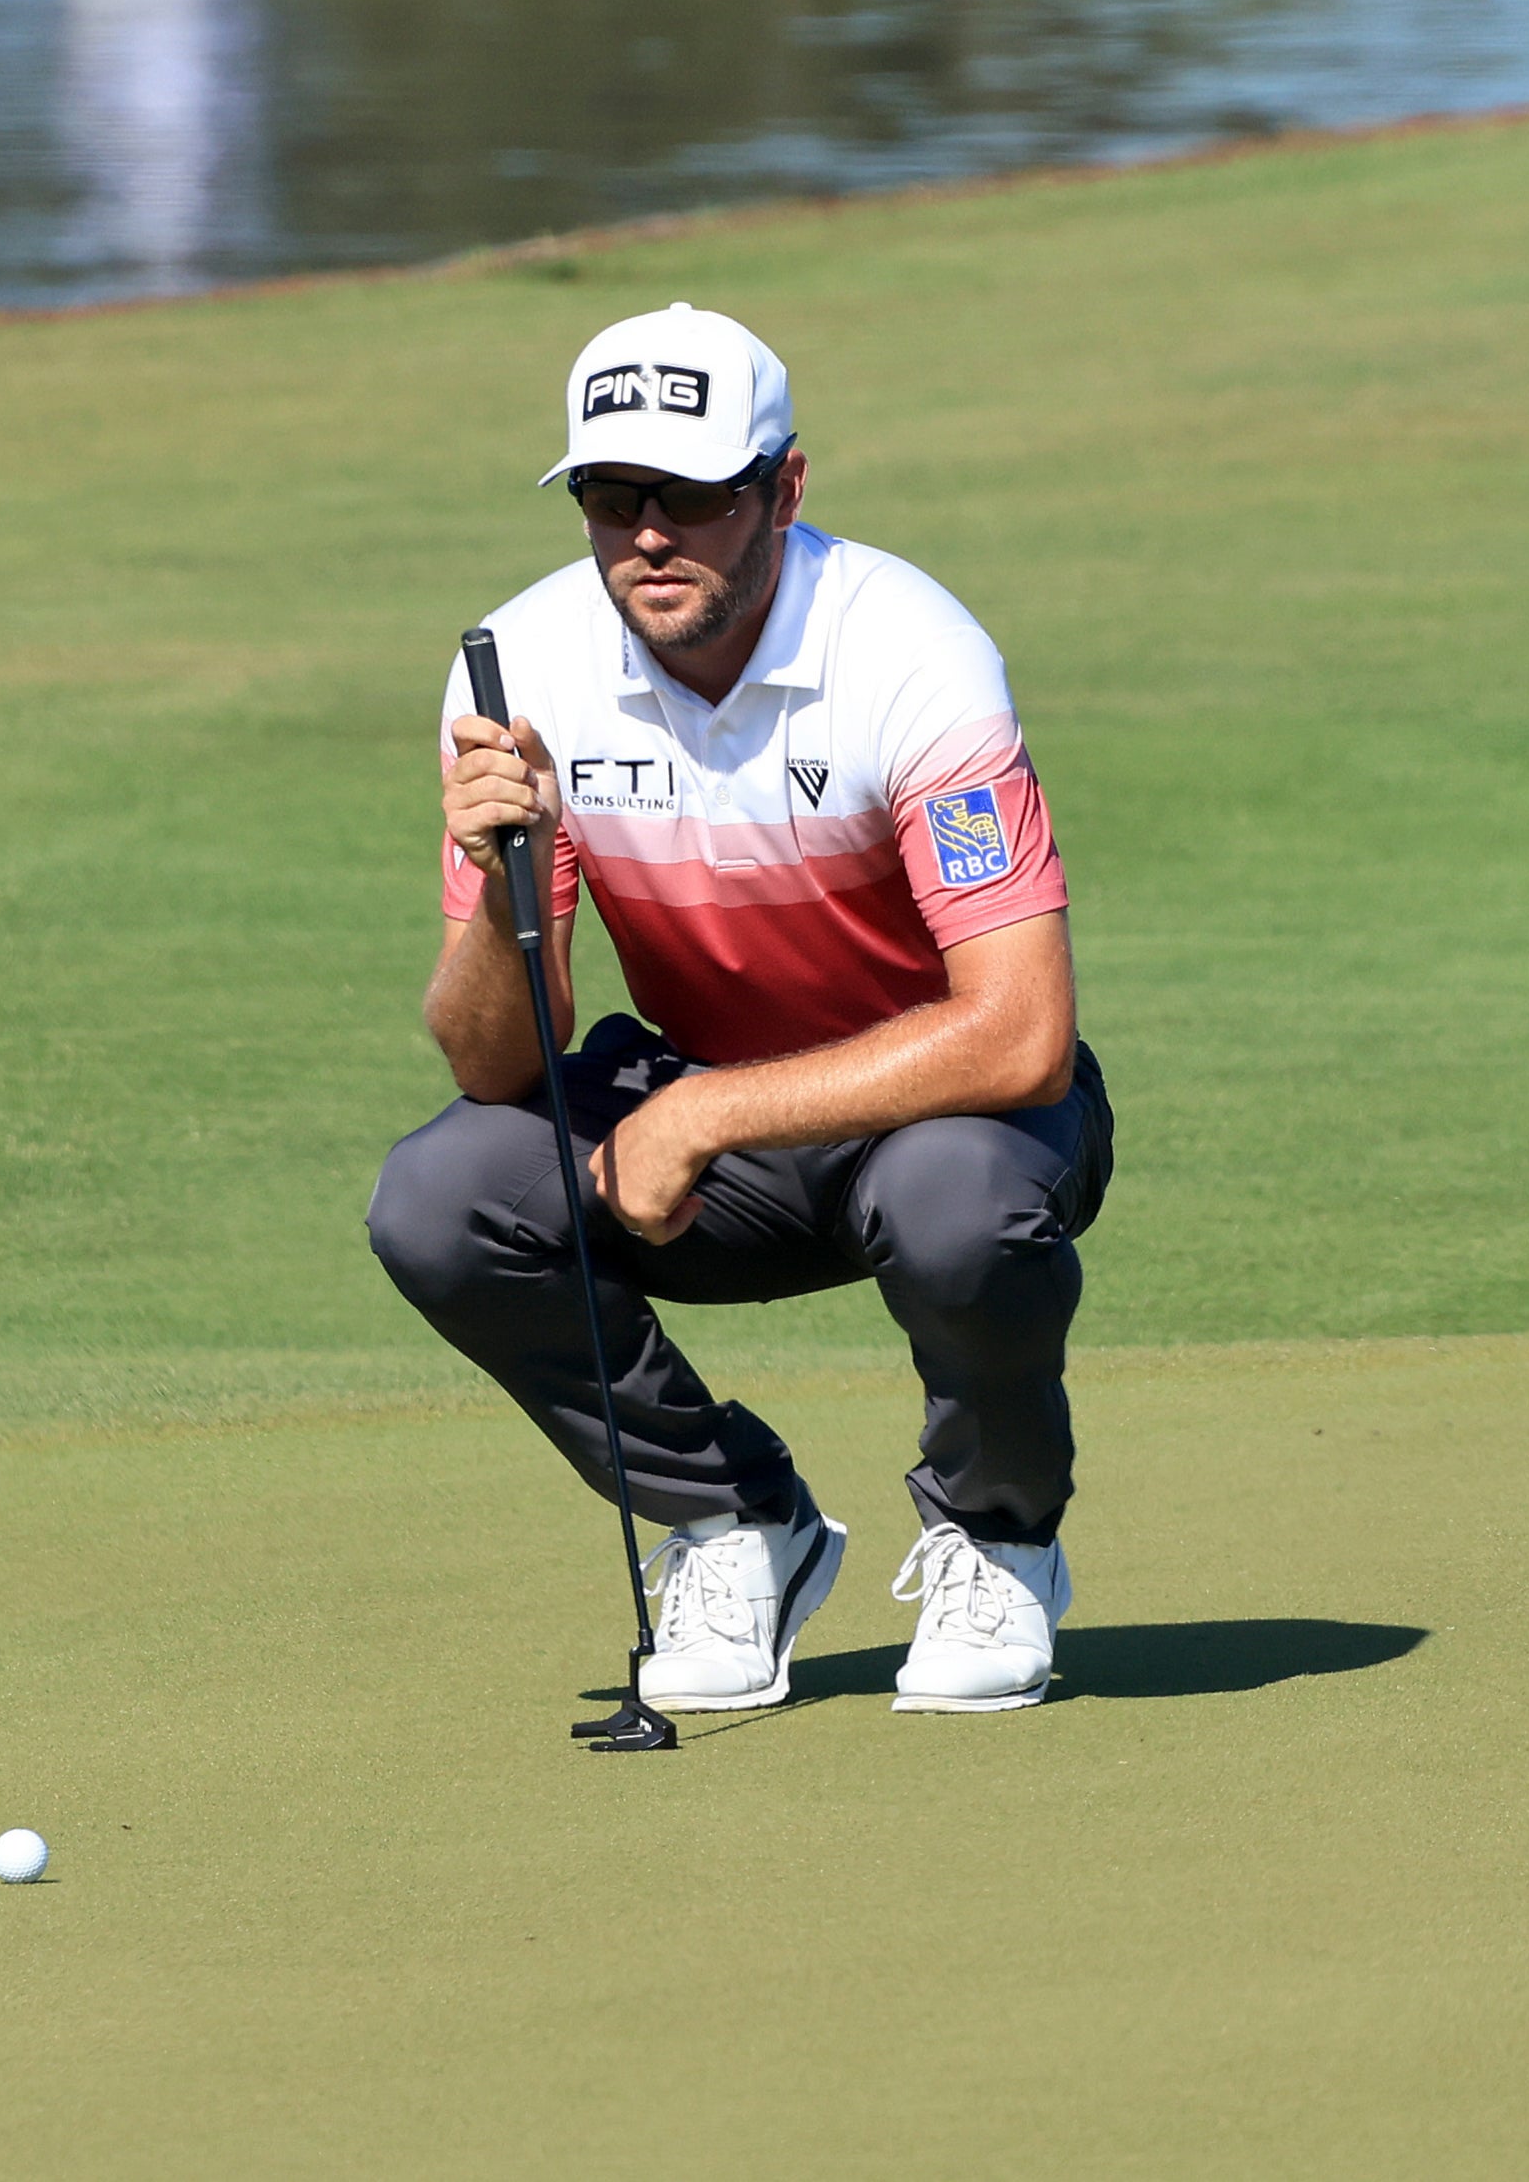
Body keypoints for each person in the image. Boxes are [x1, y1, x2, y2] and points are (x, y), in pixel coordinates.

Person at [367, 302, 1114, 1715]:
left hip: (955, 1117)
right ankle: (734, 1522)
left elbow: (1023, 1035)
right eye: (610, 494)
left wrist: (706, 1107)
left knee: (958, 1203)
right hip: (712, 1145)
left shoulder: (911, 653)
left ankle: (997, 1536)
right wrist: (496, 869)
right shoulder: (523, 669)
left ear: (784, 489)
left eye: (695, 496)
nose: (648, 534)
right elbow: (492, 1064)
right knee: (442, 1196)